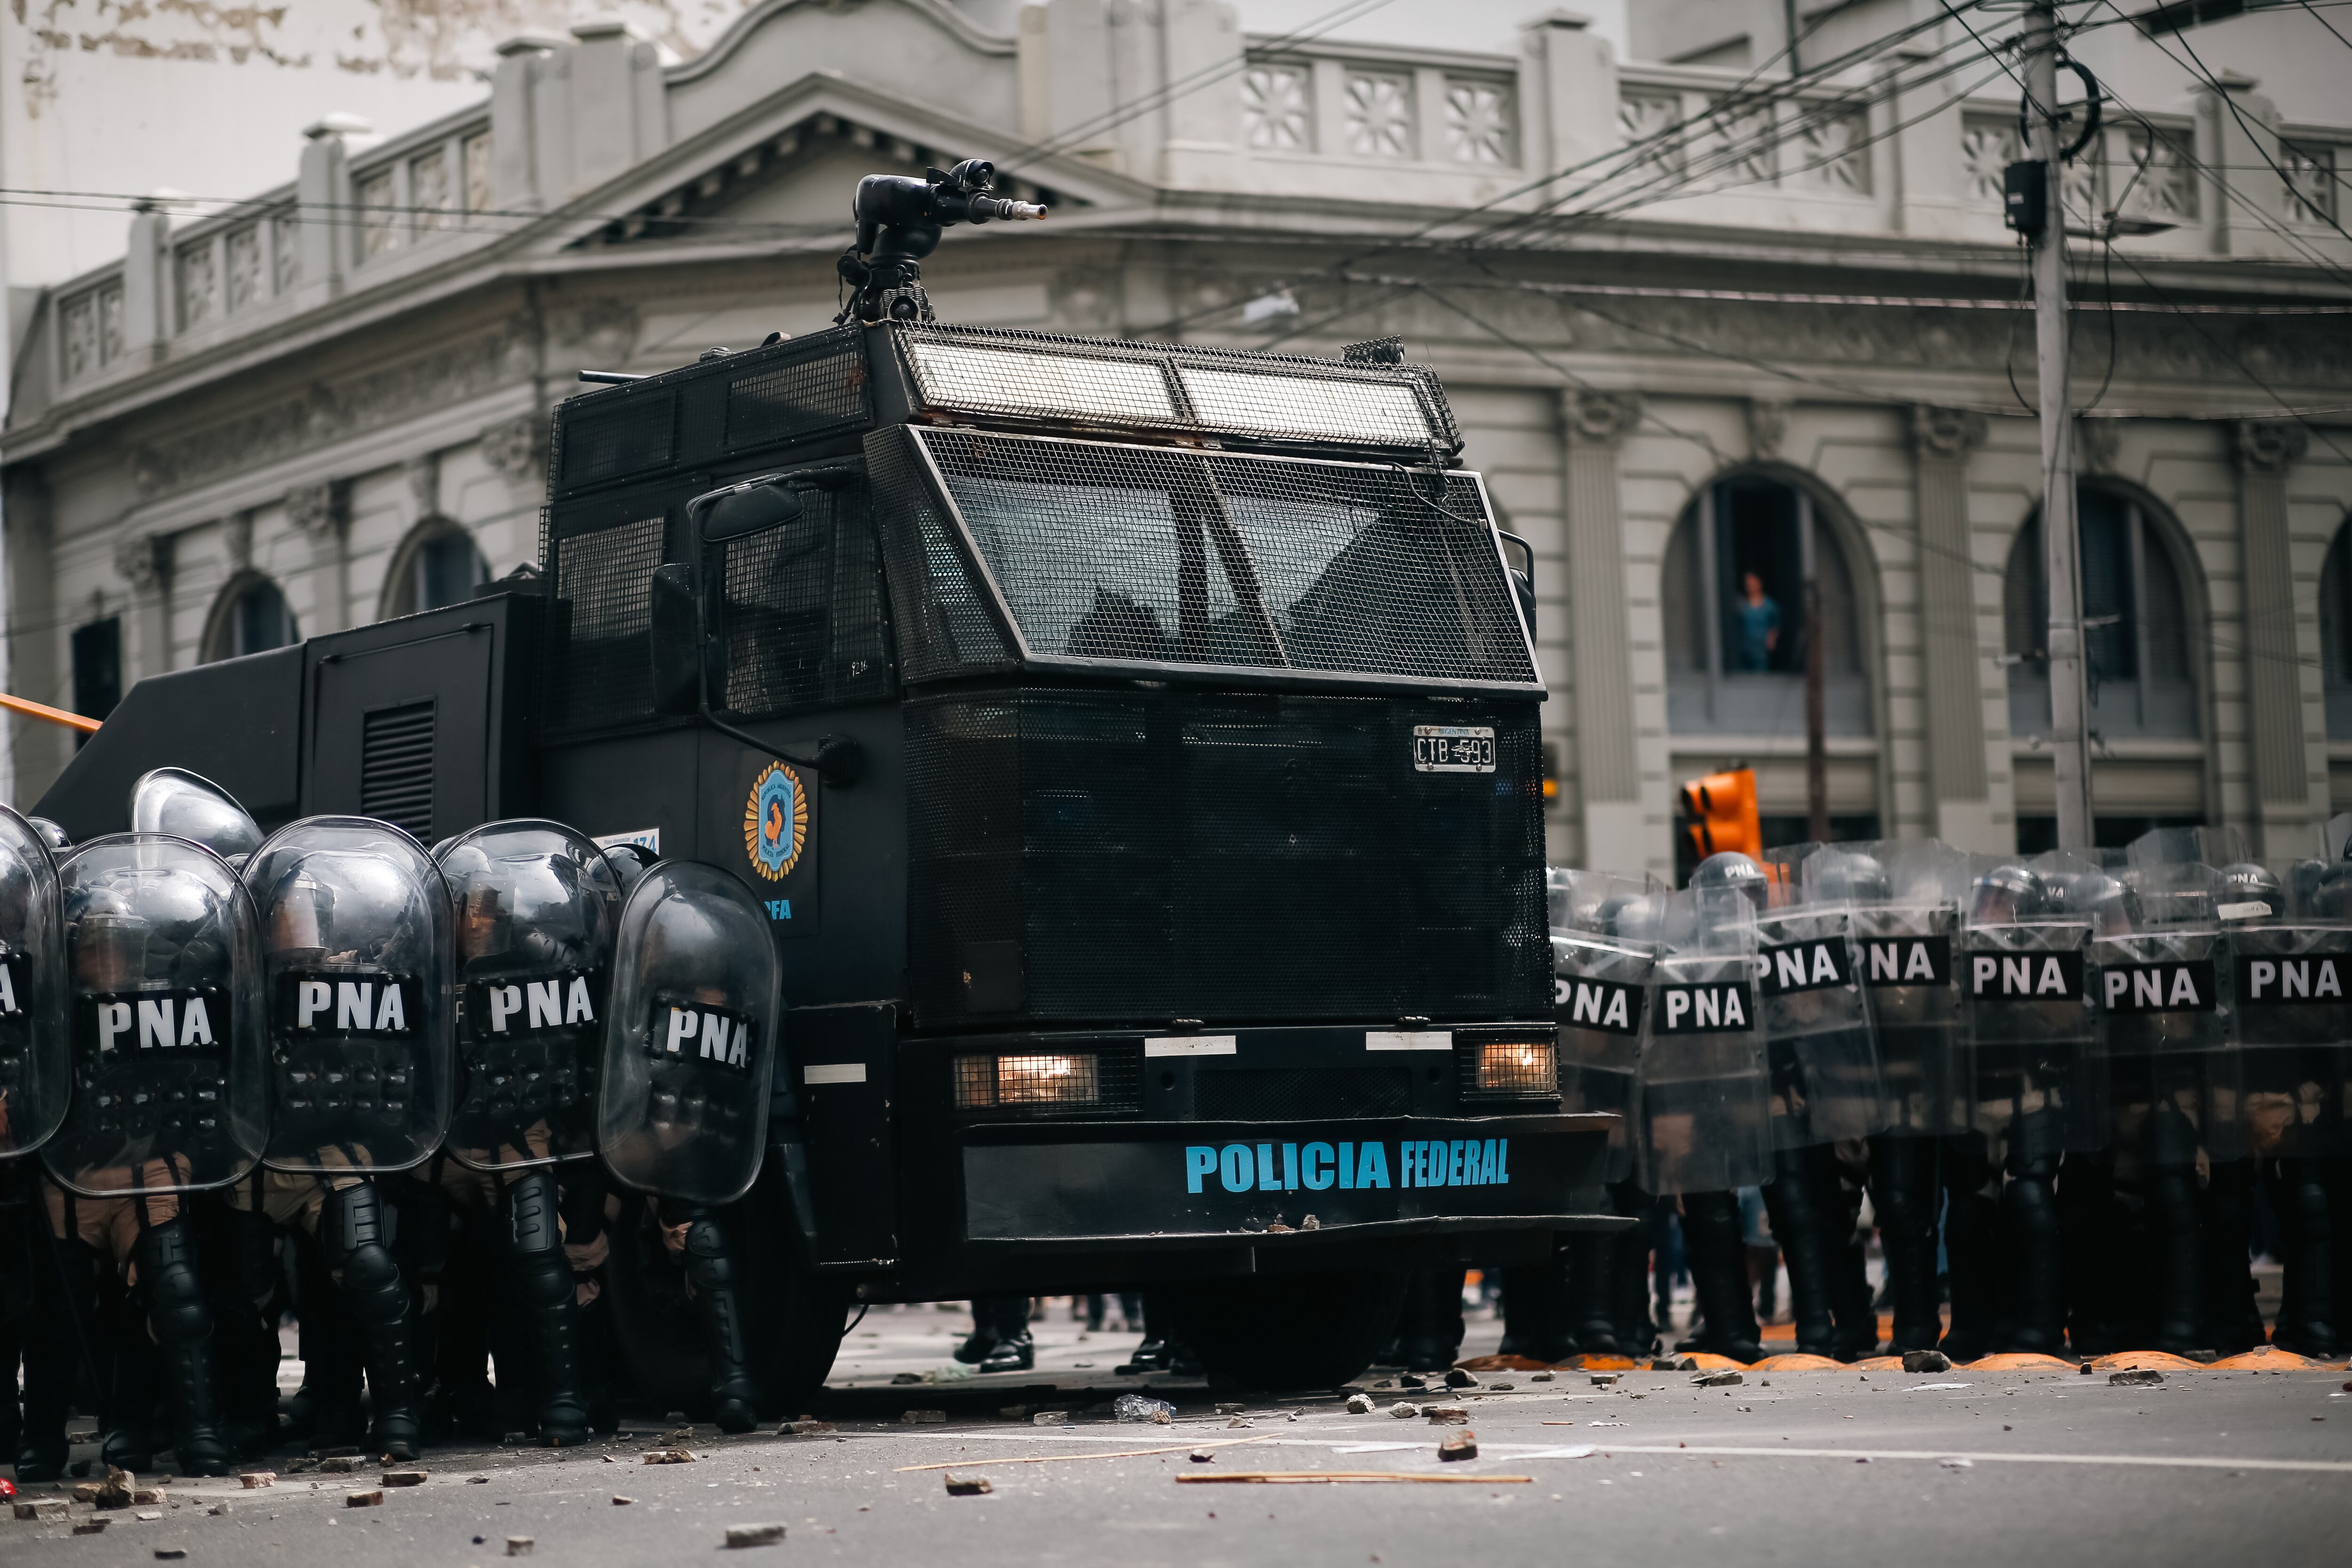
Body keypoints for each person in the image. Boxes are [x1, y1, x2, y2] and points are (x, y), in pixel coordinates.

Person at [1736, 572, 1780, 672]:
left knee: (1760, 677)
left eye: (1752, 582)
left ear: (1759, 583)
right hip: (1745, 648)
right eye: (1747, 583)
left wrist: (1772, 639)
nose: (1750, 586)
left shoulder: (1769, 606)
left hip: (1761, 649)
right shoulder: (1742, 605)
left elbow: (1775, 624)